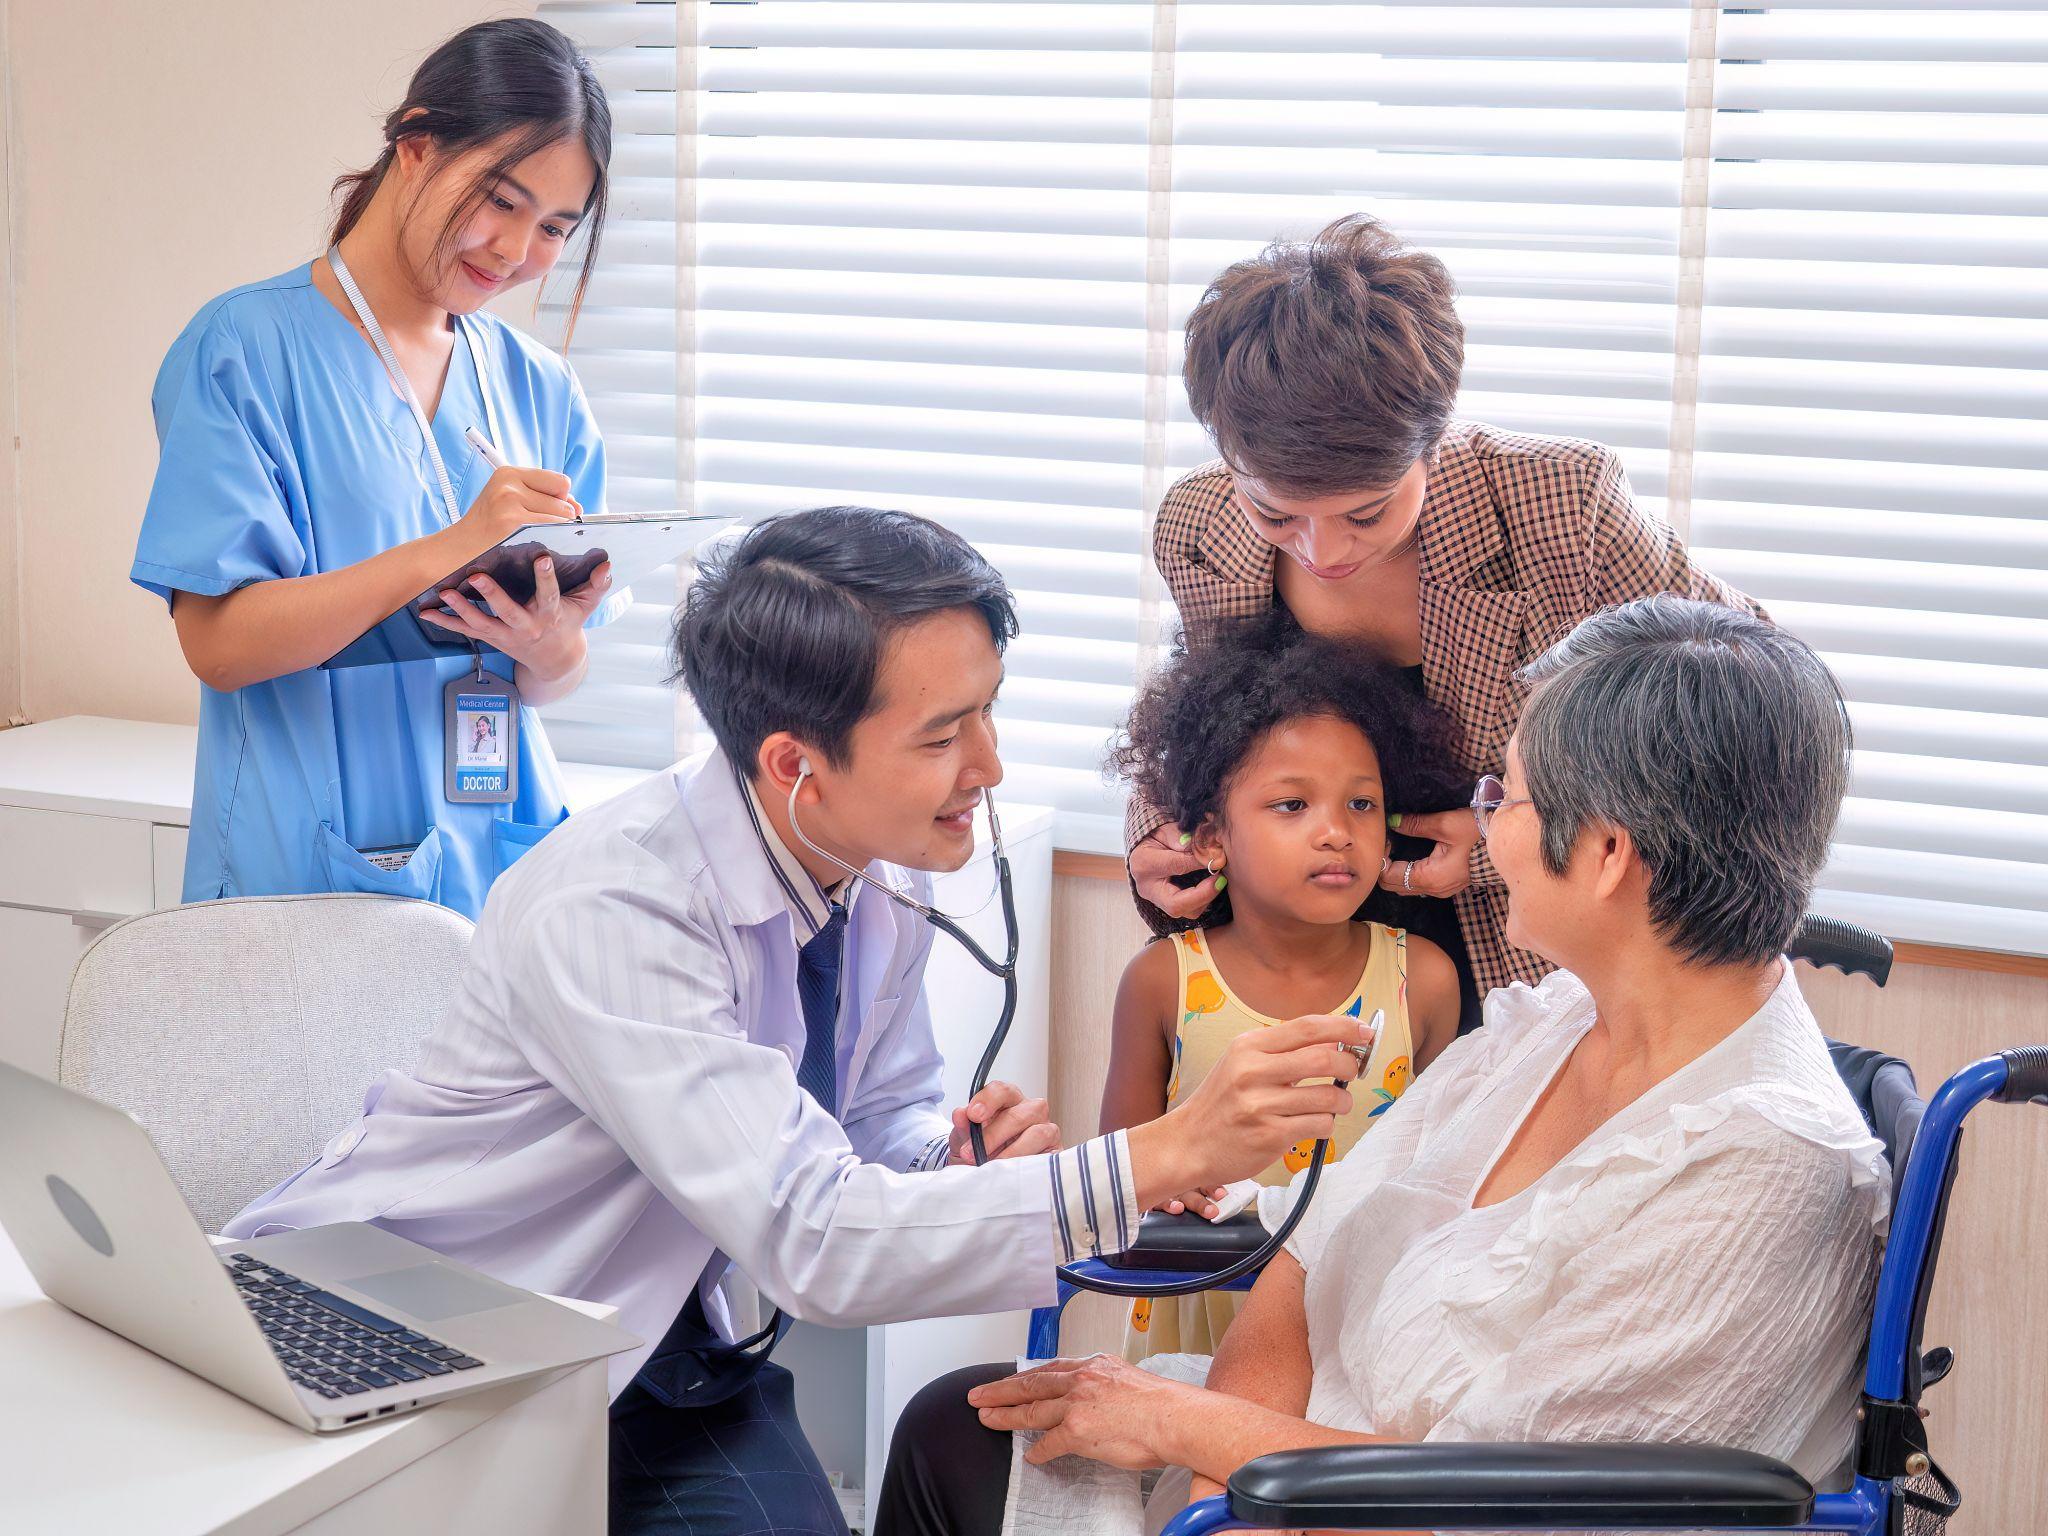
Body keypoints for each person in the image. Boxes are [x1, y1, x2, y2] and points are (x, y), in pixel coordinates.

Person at [222, 506, 1378, 1536]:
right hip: (432, 1340)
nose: (987, 765)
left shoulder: (882, 870)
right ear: (792, 765)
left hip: (659, 1356)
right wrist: (1156, 1154)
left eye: (985, 715)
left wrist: (953, 1157)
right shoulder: (619, 910)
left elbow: (874, 1130)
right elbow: (817, 1243)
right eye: (941, 736)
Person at [877, 597, 1889, 1536]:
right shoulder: (1551, 1026)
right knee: (952, 1425)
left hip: (1398, 1507)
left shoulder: (1762, 1169)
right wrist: (1218, 1490)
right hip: (1292, 1466)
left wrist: (1192, 1437)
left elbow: (1505, 1506)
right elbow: (1302, 1261)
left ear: (1609, 855)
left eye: (1508, 795)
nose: (1484, 822)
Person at [1128, 215, 1764, 1031]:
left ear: (1431, 443)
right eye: (1277, 513)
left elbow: (1759, 697)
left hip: (1525, 975)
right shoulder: (1198, 526)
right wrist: (1157, 834)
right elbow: (1195, 724)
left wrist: (1510, 842)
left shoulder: (1560, 504)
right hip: (1287, 970)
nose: (1324, 551)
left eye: (1366, 512)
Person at [130, 19, 626, 918]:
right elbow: (220, 645)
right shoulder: (243, 350)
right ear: (416, 147)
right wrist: (455, 546)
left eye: (554, 226)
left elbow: (556, 674)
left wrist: (548, 644)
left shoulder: (537, 385)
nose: (516, 252)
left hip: (501, 850)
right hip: (312, 855)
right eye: (500, 200)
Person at [1100, 611, 1465, 1360]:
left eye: (1360, 803)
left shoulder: (1421, 980)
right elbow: (1117, 1170)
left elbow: (1441, 1176)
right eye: (1292, 805)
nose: (1337, 831)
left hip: (1359, 1321)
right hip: (1199, 1313)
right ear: (1211, 839)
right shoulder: (1162, 981)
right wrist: (1169, 1185)